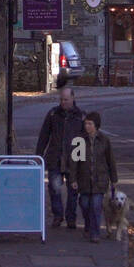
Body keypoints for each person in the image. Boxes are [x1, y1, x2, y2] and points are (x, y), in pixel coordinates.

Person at [35, 79, 85, 228]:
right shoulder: (53, 114)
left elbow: (84, 140)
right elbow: (44, 136)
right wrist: (38, 155)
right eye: (61, 99)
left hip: (74, 159)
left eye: (66, 99)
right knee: (54, 188)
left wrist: (83, 160)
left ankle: (71, 218)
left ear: (73, 98)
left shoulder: (81, 116)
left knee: (73, 190)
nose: (63, 102)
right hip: (55, 157)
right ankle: (58, 216)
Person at [75, 110, 118, 242]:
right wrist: (72, 179)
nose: (86, 126)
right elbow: (74, 162)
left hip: (100, 181)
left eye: (89, 124)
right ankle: (88, 225)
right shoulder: (80, 140)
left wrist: (114, 179)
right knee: (85, 204)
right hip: (84, 181)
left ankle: (95, 233)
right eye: (85, 123)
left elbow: (111, 160)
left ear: (96, 125)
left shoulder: (105, 140)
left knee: (96, 206)